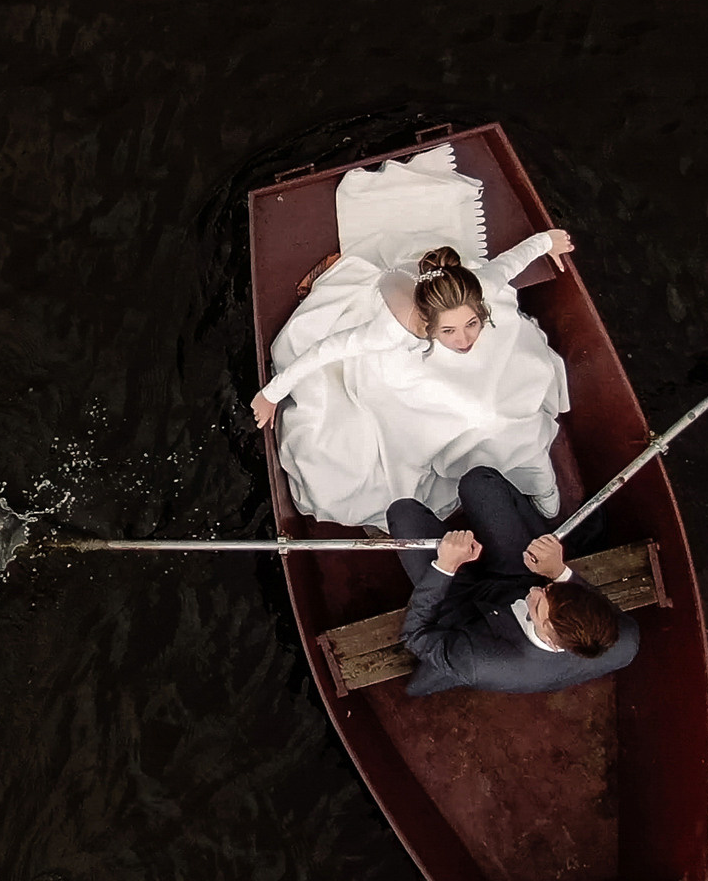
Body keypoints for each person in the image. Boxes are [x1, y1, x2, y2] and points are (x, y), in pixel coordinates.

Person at [249, 229, 575, 530]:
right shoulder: (395, 329)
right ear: (430, 323)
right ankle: (515, 464)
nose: (464, 339)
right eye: (449, 330)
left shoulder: (482, 287)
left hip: (474, 358)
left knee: (503, 412)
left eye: (472, 324)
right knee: (473, 416)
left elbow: (511, 261)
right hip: (412, 367)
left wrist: (548, 241)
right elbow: (325, 350)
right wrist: (272, 393)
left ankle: (538, 477)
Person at [391, 466, 638, 697]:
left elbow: (415, 635)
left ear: (550, 638)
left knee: (402, 513)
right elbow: (549, 588)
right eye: (549, 589)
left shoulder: (481, 662)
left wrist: (445, 567)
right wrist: (558, 571)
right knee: (479, 482)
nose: (535, 591)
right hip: (518, 576)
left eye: (539, 606)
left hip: (464, 611)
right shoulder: (625, 641)